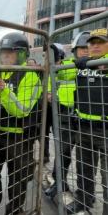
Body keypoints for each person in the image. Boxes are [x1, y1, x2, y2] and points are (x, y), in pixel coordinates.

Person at [0, 32, 42, 214]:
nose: (5, 56)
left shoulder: (30, 76)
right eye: (3, 52)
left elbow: (22, 110)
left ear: (21, 54)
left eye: (10, 53)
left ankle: (14, 209)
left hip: (19, 136)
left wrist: (4, 92)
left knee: (18, 177)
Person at [66, 28, 108, 214]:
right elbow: (62, 65)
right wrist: (84, 61)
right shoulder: (81, 65)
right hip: (83, 127)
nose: (95, 46)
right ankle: (83, 200)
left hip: (106, 129)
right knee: (84, 170)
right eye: (92, 43)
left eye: (100, 42)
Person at [44, 31, 90, 199]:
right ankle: (59, 183)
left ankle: (86, 194)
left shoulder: (100, 65)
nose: (85, 50)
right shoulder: (69, 65)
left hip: (86, 119)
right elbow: (55, 73)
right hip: (65, 115)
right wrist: (49, 90)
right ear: (75, 50)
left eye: (88, 47)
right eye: (81, 48)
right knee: (62, 152)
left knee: (86, 159)